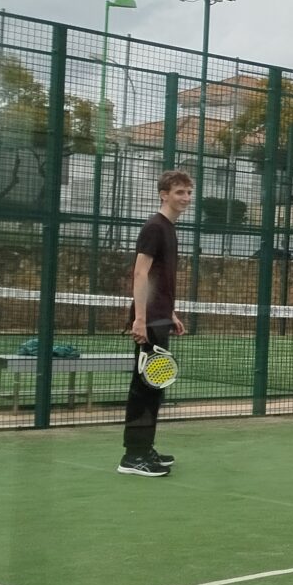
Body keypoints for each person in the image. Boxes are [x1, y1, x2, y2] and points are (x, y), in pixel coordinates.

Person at [119, 170, 193, 478]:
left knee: (154, 388)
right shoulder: (154, 228)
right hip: (148, 321)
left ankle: (145, 447)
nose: (185, 198)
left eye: (188, 192)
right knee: (144, 389)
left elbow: (160, 281)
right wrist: (140, 319)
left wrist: (169, 313)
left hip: (159, 317)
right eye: (179, 192)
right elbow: (140, 274)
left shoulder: (169, 229)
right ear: (164, 194)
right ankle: (132, 456)